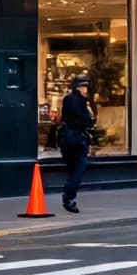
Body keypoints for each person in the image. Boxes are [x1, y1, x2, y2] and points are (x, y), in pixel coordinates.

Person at [58, 74, 97, 213]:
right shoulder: (78, 101)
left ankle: (69, 194)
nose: (86, 90)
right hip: (76, 139)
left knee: (73, 168)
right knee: (79, 168)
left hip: (66, 139)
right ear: (78, 87)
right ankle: (69, 197)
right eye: (83, 87)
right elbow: (88, 119)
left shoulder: (69, 99)